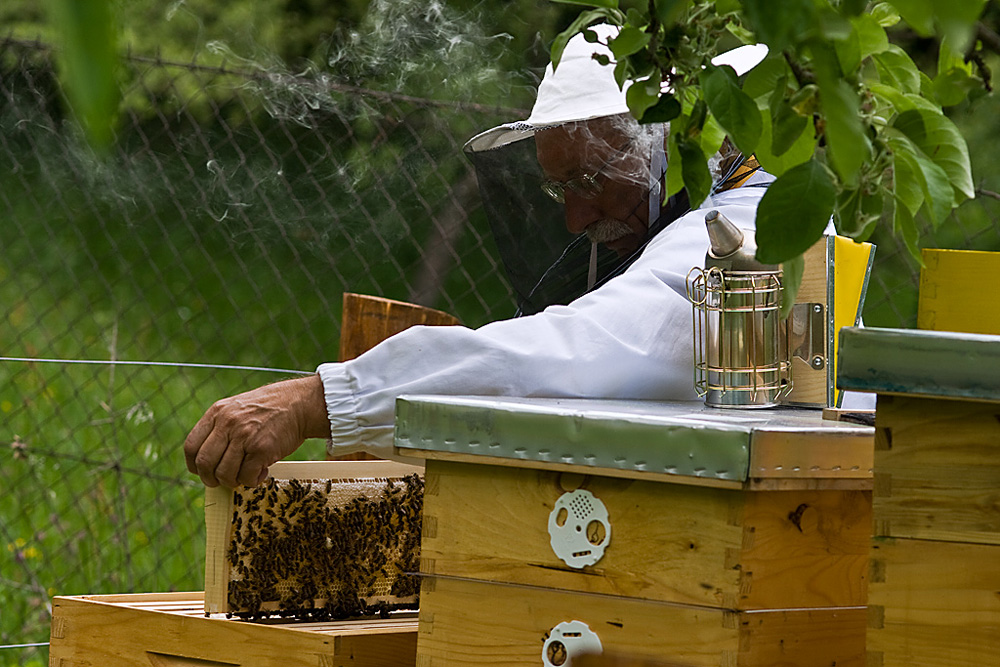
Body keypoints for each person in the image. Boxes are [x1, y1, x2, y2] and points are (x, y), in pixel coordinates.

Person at [184, 25, 773, 488]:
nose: (575, 218)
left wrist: (322, 402)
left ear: (666, 145)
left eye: (590, 179)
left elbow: (568, 355)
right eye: (560, 189)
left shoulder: (745, 232)